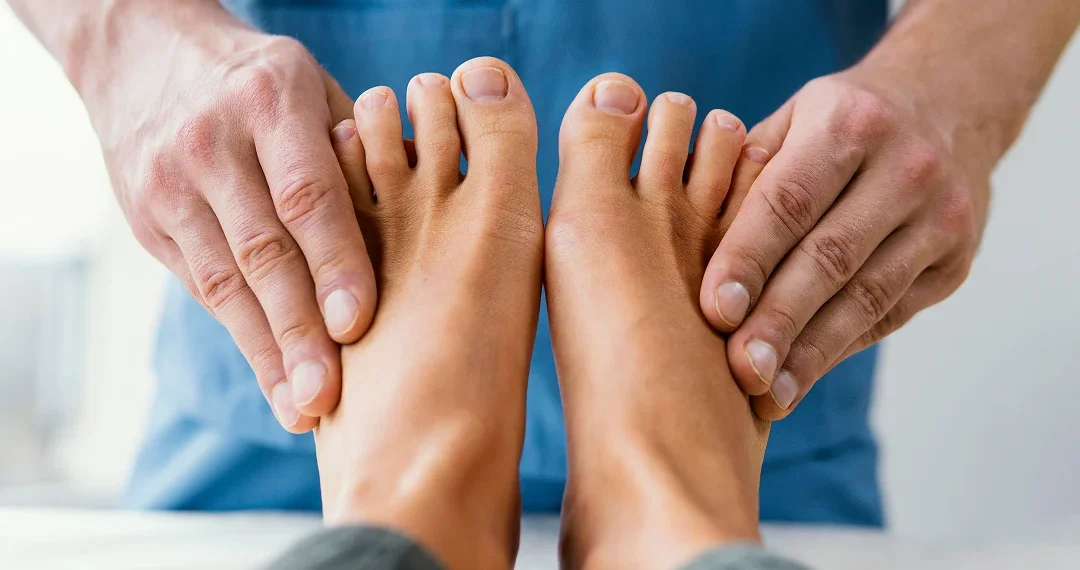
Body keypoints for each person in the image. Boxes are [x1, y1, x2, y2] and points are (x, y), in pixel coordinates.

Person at [7, 0, 1078, 524]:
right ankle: (660, 521)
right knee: (690, 536)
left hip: (777, 371)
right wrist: (120, 32)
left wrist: (965, 79)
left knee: (396, 531)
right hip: (271, 361)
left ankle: (416, 521)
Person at [269, 57, 805, 570]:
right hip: (242, 468)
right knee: (693, 535)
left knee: (393, 521)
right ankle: (658, 509)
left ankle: (425, 494)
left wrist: (895, 73)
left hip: (812, 483)